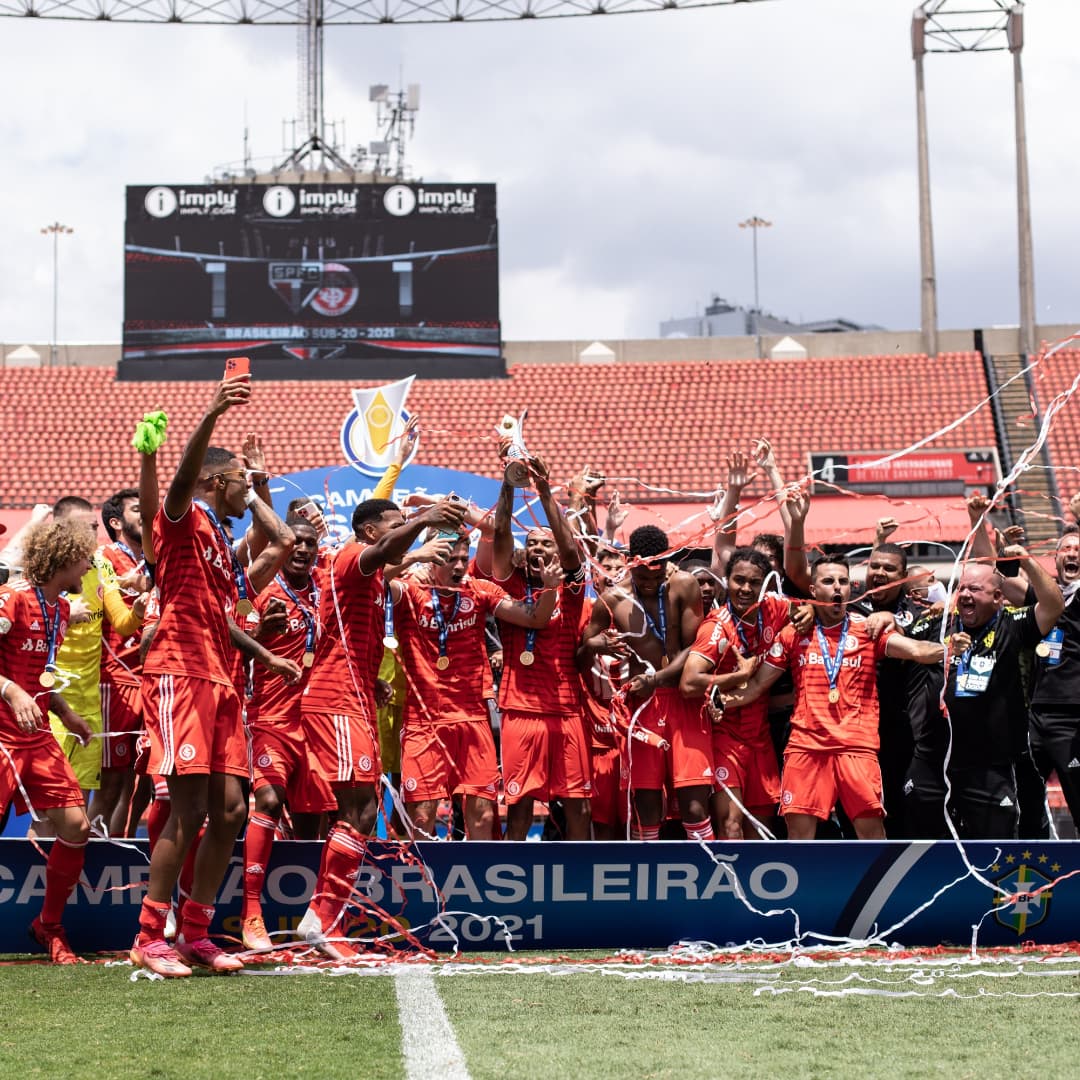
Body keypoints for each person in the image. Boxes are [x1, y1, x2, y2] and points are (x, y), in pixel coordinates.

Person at [132, 376, 297, 977]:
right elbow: (180, 481)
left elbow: (233, 606)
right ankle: (150, 935)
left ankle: (196, 931)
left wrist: (265, 657)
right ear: (213, 482)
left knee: (229, 811)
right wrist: (210, 414)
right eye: (237, 481)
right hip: (181, 672)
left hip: (224, 680)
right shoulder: (182, 519)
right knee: (189, 807)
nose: (244, 490)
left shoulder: (221, 546)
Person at [296, 495, 465, 960]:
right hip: (335, 702)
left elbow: (385, 568)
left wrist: (372, 680)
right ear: (371, 531)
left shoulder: (369, 575)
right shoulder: (354, 555)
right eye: (394, 524)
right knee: (360, 809)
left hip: (352, 699)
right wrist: (424, 519)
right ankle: (323, 920)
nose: (401, 530)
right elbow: (382, 554)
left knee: (360, 811)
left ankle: (322, 918)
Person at [723, 555, 948, 840]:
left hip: (856, 747)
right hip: (806, 748)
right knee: (800, 840)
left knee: (871, 836)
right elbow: (756, 686)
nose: (837, 587)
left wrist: (951, 648)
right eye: (828, 581)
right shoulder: (793, 634)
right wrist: (721, 702)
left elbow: (917, 651)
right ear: (814, 590)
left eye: (843, 581)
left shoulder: (866, 630)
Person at [393, 531, 562, 839]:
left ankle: (479, 871)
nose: (459, 566)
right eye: (449, 559)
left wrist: (550, 589)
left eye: (463, 558)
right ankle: (420, 872)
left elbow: (536, 618)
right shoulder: (410, 588)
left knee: (483, 815)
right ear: (432, 557)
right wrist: (413, 557)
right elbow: (367, 579)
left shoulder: (479, 590)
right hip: (423, 721)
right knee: (422, 815)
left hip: (473, 717)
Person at [906, 549, 1063, 839]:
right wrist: (884, 619)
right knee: (925, 849)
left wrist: (1026, 560)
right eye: (961, 588)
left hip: (989, 766)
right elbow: (894, 635)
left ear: (998, 597)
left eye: (975, 589)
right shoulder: (938, 622)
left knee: (993, 849)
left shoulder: (1012, 624)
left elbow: (1053, 605)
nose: (965, 594)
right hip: (932, 762)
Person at [0, 517, 97, 962]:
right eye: (84, 559)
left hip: (36, 735)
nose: (89, 567)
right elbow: (16, 682)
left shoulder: (58, 610)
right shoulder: (12, 597)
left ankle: (48, 925)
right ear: (65, 558)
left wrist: (66, 713)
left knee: (77, 827)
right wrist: (11, 691)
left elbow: (36, 677)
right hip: (2, 734)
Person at [240, 513, 335, 951]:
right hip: (269, 718)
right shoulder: (259, 591)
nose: (303, 549)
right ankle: (251, 913)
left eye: (310, 543)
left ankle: (303, 919)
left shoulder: (324, 590)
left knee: (312, 821)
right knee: (269, 800)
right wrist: (263, 633)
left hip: (314, 723)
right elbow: (232, 651)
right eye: (296, 541)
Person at [482, 458, 590, 842]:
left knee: (578, 808)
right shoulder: (510, 585)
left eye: (546, 543)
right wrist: (509, 481)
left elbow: (571, 548)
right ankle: (513, 872)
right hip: (519, 710)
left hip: (565, 709)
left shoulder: (571, 588)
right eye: (532, 543)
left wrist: (544, 490)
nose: (539, 548)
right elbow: (500, 531)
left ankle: (581, 874)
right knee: (519, 809)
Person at [582, 524, 711, 840]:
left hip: (684, 701)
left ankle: (707, 869)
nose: (650, 583)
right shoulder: (613, 599)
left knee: (695, 806)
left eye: (657, 575)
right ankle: (648, 870)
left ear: (667, 562)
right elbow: (581, 656)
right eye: (642, 577)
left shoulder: (685, 585)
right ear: (630, 563)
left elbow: (695, 648)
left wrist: (658, 678)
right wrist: (596, 645)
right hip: (643, 708)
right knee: (647, 806)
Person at [680, 547, 789, 839]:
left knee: (761, 830)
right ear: (726, 581)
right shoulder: (717, 626)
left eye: (754, 582)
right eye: (739, 580)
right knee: (730, 825)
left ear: (764, 586)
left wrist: (809, 611)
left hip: (760, 737)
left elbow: (807, 608)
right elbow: (689, 683)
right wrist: (739, 676)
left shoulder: (774, 609)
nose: (745, 589)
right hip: (724, 736)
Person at [850, 538, 922, 838]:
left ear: (903, 577)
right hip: (852, 732)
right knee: (855, 815)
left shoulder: (918, 613)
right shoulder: (848, 606)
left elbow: (917, 642)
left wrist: (892, 621)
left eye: (889, 569)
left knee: (898, 814)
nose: (879, 572)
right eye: (874, 566)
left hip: (898, 732)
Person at [95, 487, 151, 837]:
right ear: (116, 522)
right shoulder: (104, 557)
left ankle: (122, 849)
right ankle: (94, 855)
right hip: (116, 678)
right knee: (111, 782)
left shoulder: (153, 559)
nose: (146, 515)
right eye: (136, 510)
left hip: (151, 678)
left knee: (138, 782)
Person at [1027, 528, 1080, 831]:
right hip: (1035, 713)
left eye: (1078, 549)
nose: (1072, 553)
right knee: (1026, 799)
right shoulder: (1045, 596)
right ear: (1056, 557)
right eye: (1066, 549)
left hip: (1074, 715)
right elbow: (1003, 583)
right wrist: (977, 522)